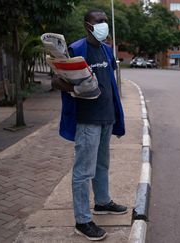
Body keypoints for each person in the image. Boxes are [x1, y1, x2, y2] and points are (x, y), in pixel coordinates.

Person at [52, 9, 126, 241]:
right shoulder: (76, 49)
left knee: (102, 164)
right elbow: (57, 81)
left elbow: (109, 81)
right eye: (99, 21)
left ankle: (102, 202)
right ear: (87, 25)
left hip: (106, 117)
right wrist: (75, 88)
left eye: (105, 21)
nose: (104, 25)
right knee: (84, 171)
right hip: (87, 120)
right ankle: (82, 220)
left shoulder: (106, 49)